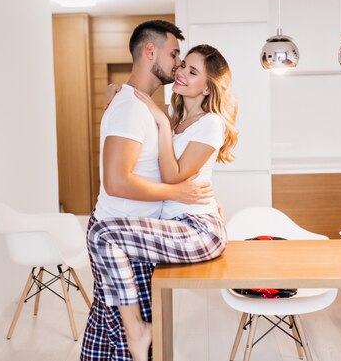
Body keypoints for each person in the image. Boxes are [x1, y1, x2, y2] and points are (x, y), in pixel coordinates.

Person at [87, 43, 238, 361]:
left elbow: (174, 176)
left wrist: (161, 123)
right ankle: (130, 334)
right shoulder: (177, 116)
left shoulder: (211, 123)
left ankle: (137, 331)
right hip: (176, 226)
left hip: (198, 230)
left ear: (208, 87)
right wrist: (114, 91)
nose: (181, 72)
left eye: (192, 71)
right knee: (105, 251)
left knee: (102, 234)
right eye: (182, 65)